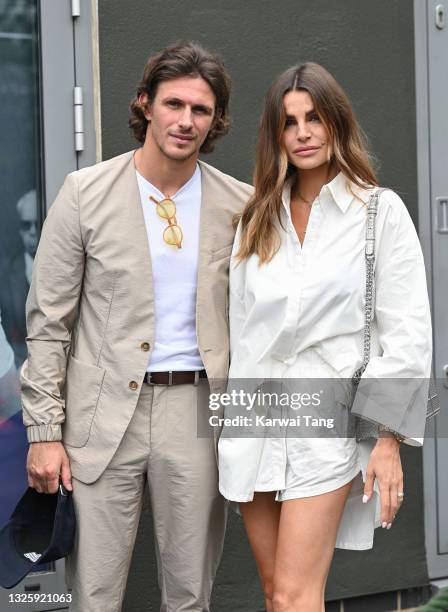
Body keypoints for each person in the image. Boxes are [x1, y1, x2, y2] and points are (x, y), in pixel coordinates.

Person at [21, 42, 252, 612]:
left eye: (201, 110)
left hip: (197, 410)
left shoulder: (240, 204)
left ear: (215, 120)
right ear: (146, 104)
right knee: (93, 596)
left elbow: (257, 324)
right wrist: (44, 431)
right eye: (174, 103)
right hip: (100, 415)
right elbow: (49, 321)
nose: (186, 120)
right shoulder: (85, 193)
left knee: (190, 593)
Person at [218, 62, 432, 612]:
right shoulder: (257, 220)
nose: (304, 133)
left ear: (336, 122)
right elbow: (244, 334)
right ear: (276, 135)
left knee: (294, 595)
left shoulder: (378, 213)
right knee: (274, 594)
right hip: (256, 420)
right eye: (289, 123)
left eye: (314, 118)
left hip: (328, 426)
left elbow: (406, 332)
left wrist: (387, 438)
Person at [0, 190, 38, 366]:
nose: (32, 232)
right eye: (26, 225)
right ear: (19, 230)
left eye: (37, 224)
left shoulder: (67, 264)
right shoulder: (6, 274)